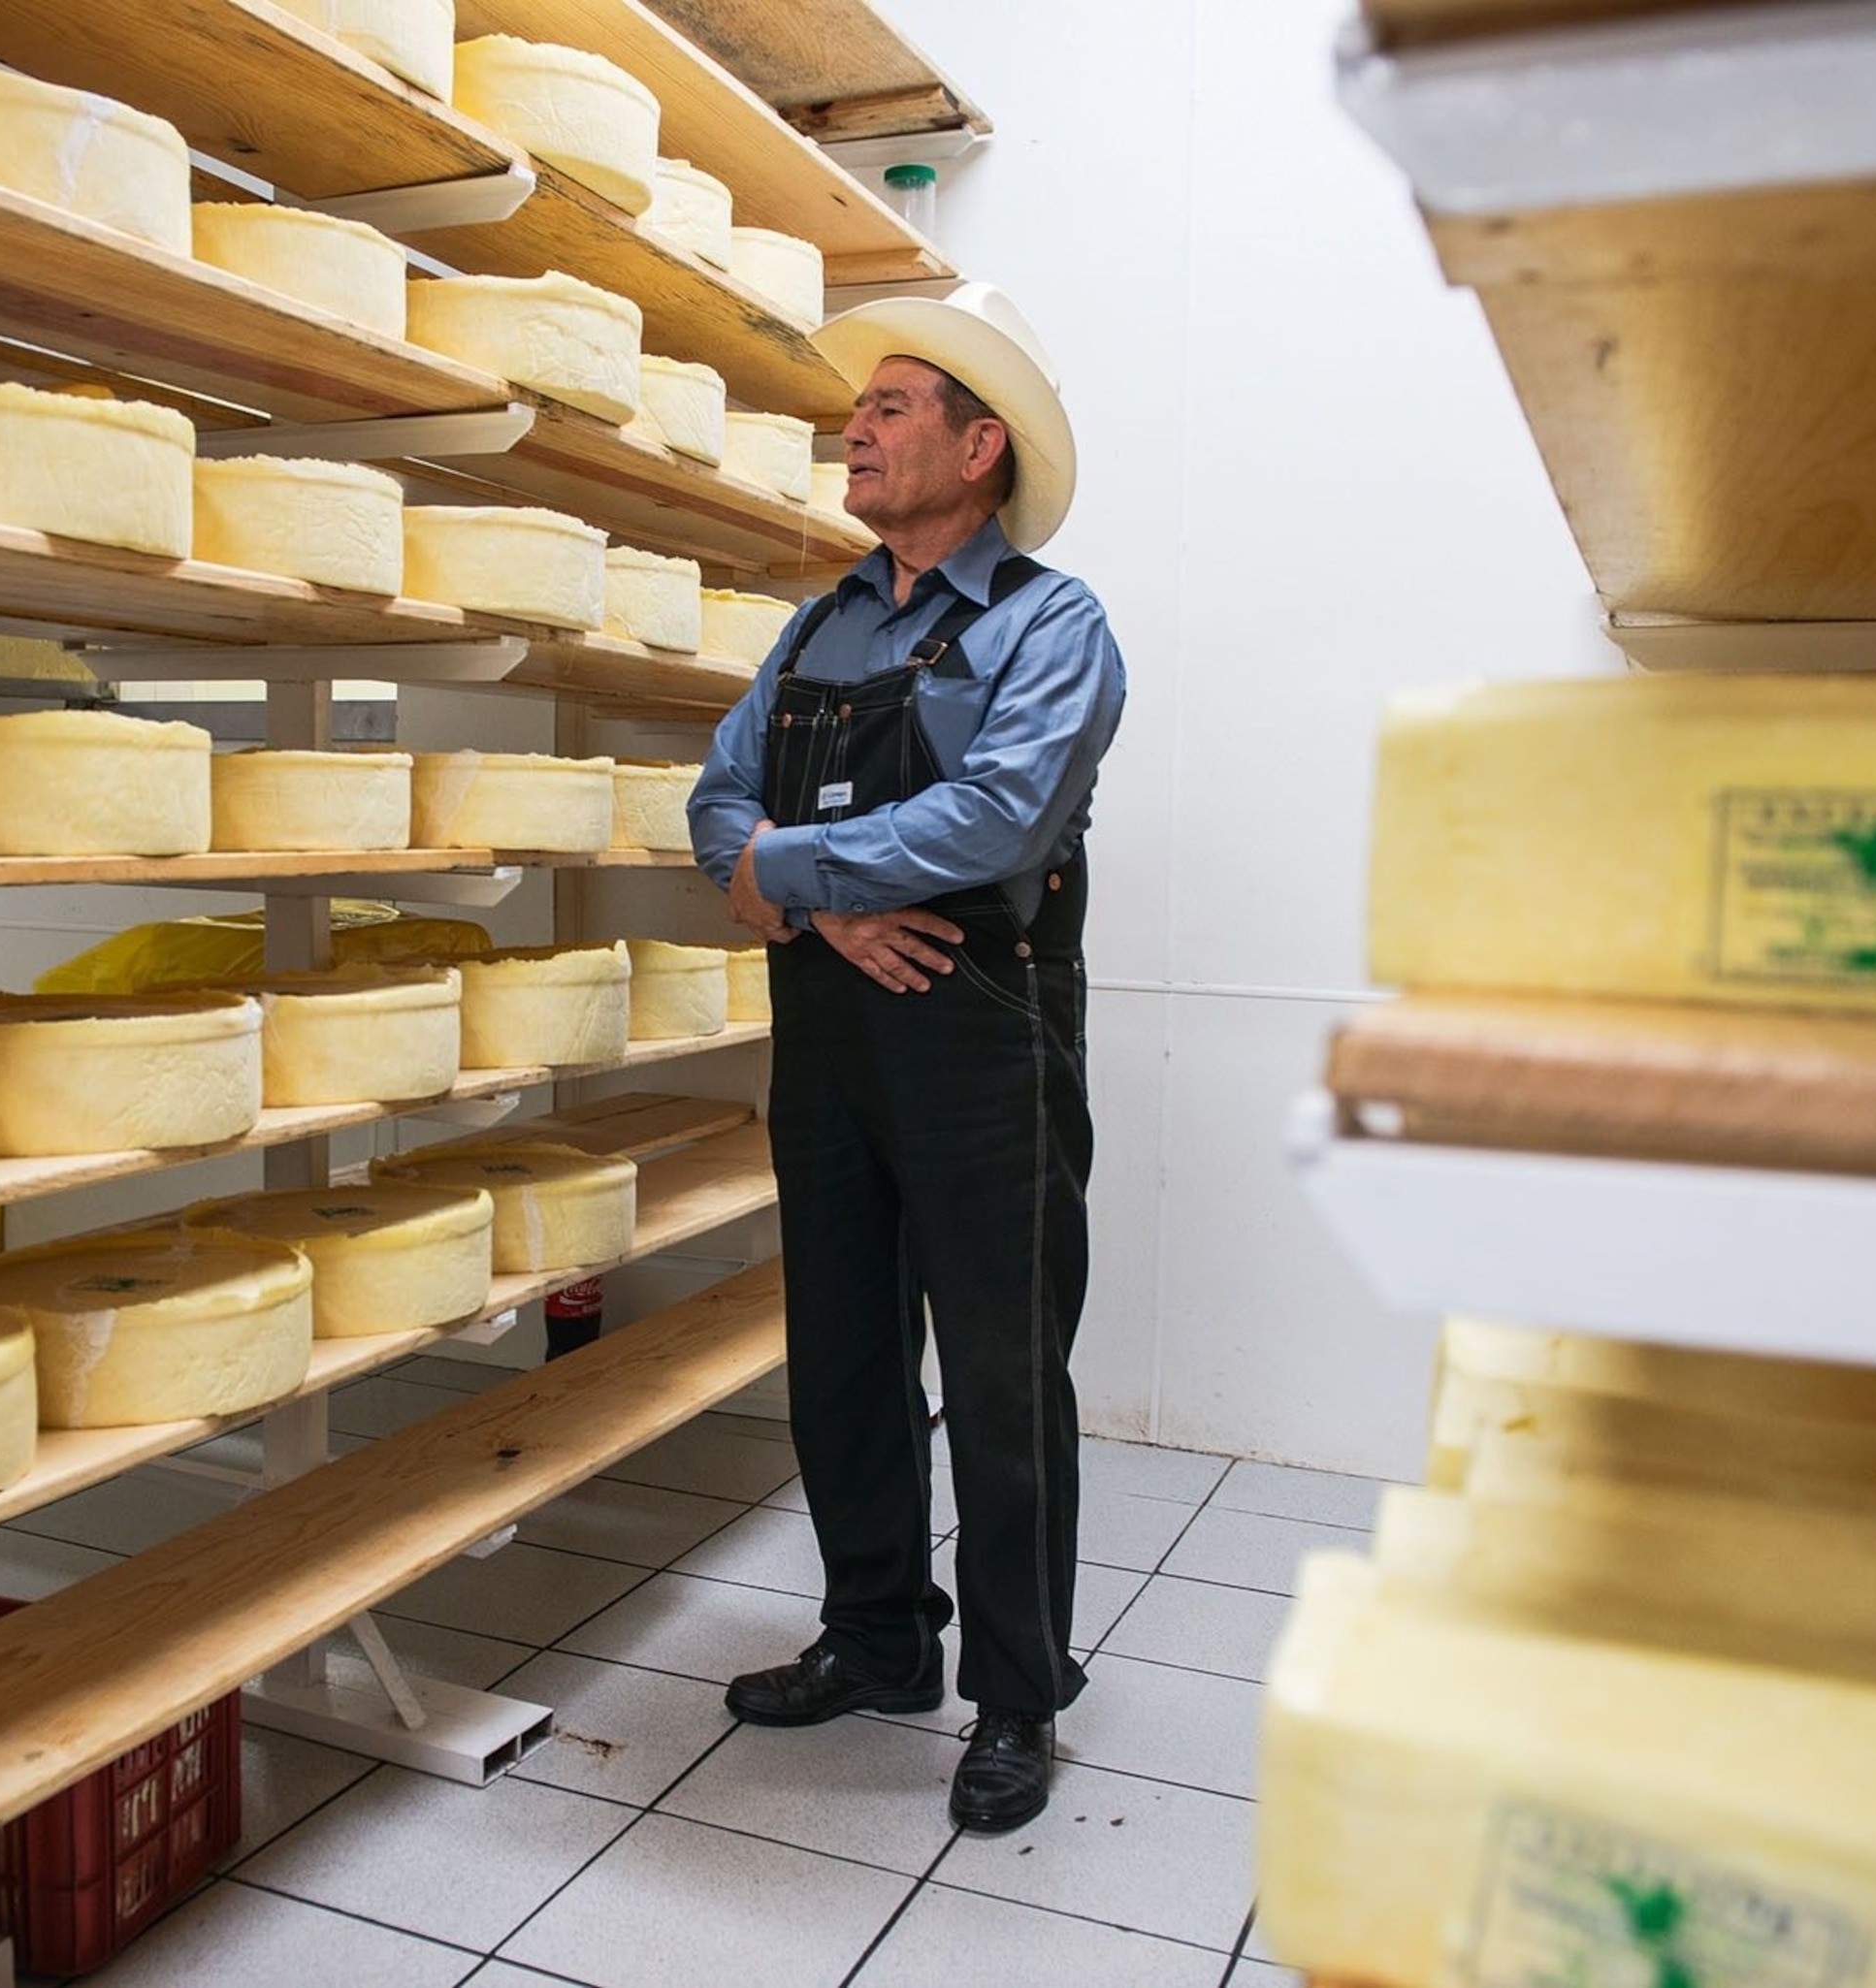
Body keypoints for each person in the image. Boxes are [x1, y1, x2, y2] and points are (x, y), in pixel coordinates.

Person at [689, 283, 1126, 1833]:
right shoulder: (821, 619)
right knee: (850, 1358)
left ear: (976, 445)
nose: (852, 431)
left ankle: (1017, 1692)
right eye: (857, 410)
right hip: (831, 1030)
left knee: (1003, 1374)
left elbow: (998, 817)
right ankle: (879, 1640)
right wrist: (834, 912)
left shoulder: (1048, 624)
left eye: (888, 409)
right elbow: (712, 808)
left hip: (978, 1033)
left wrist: (798, 883)